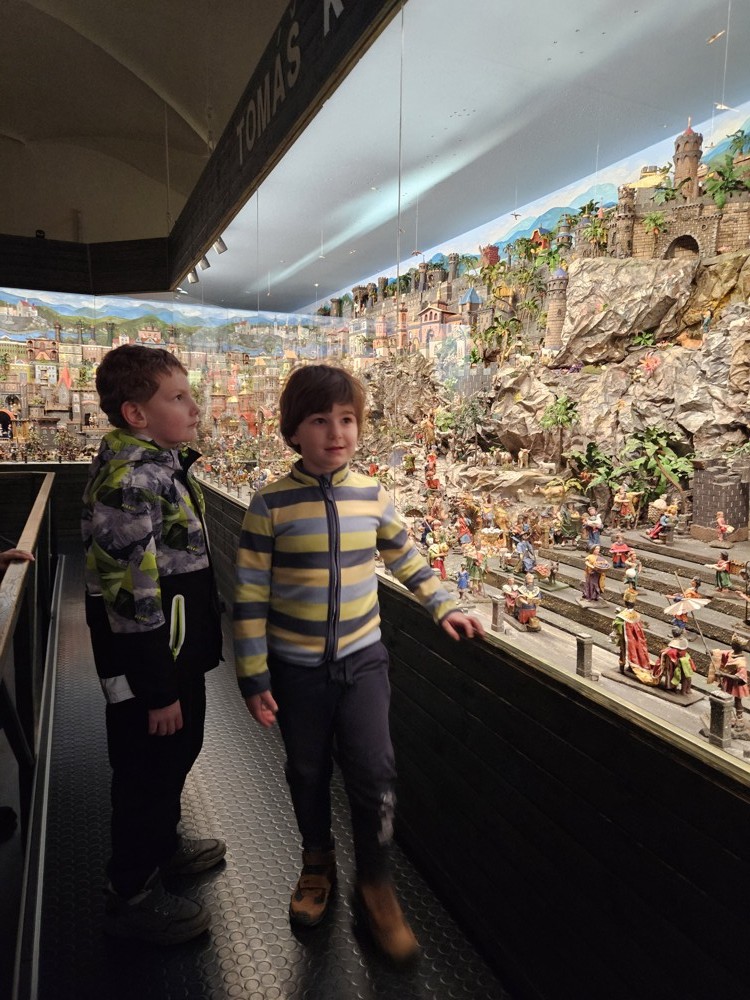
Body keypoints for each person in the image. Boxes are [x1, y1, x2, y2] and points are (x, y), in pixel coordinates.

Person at [233, 364, 484, 964]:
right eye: (320, 420)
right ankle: (316, 861)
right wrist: (254, 674)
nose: (336, 432)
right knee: (307, 770)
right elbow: (249, 597)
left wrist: (443, 604)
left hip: (364, 662)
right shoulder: (269, 504)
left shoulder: (372, 495)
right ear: (293, 431)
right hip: (296, 671)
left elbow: (407, 557)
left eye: (347, 419)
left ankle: (376, 885)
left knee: (376, 773)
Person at [81, 345, 225, 946]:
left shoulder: (160, 468)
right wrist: (157, 689)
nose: (194, 407)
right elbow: (131, 600)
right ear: (136, 414)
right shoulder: (130, 482)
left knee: (176, 754)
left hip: (172, 657)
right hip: (149, 670)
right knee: (145, 772)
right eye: (178, 397)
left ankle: (163, 846)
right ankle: (130, 891)